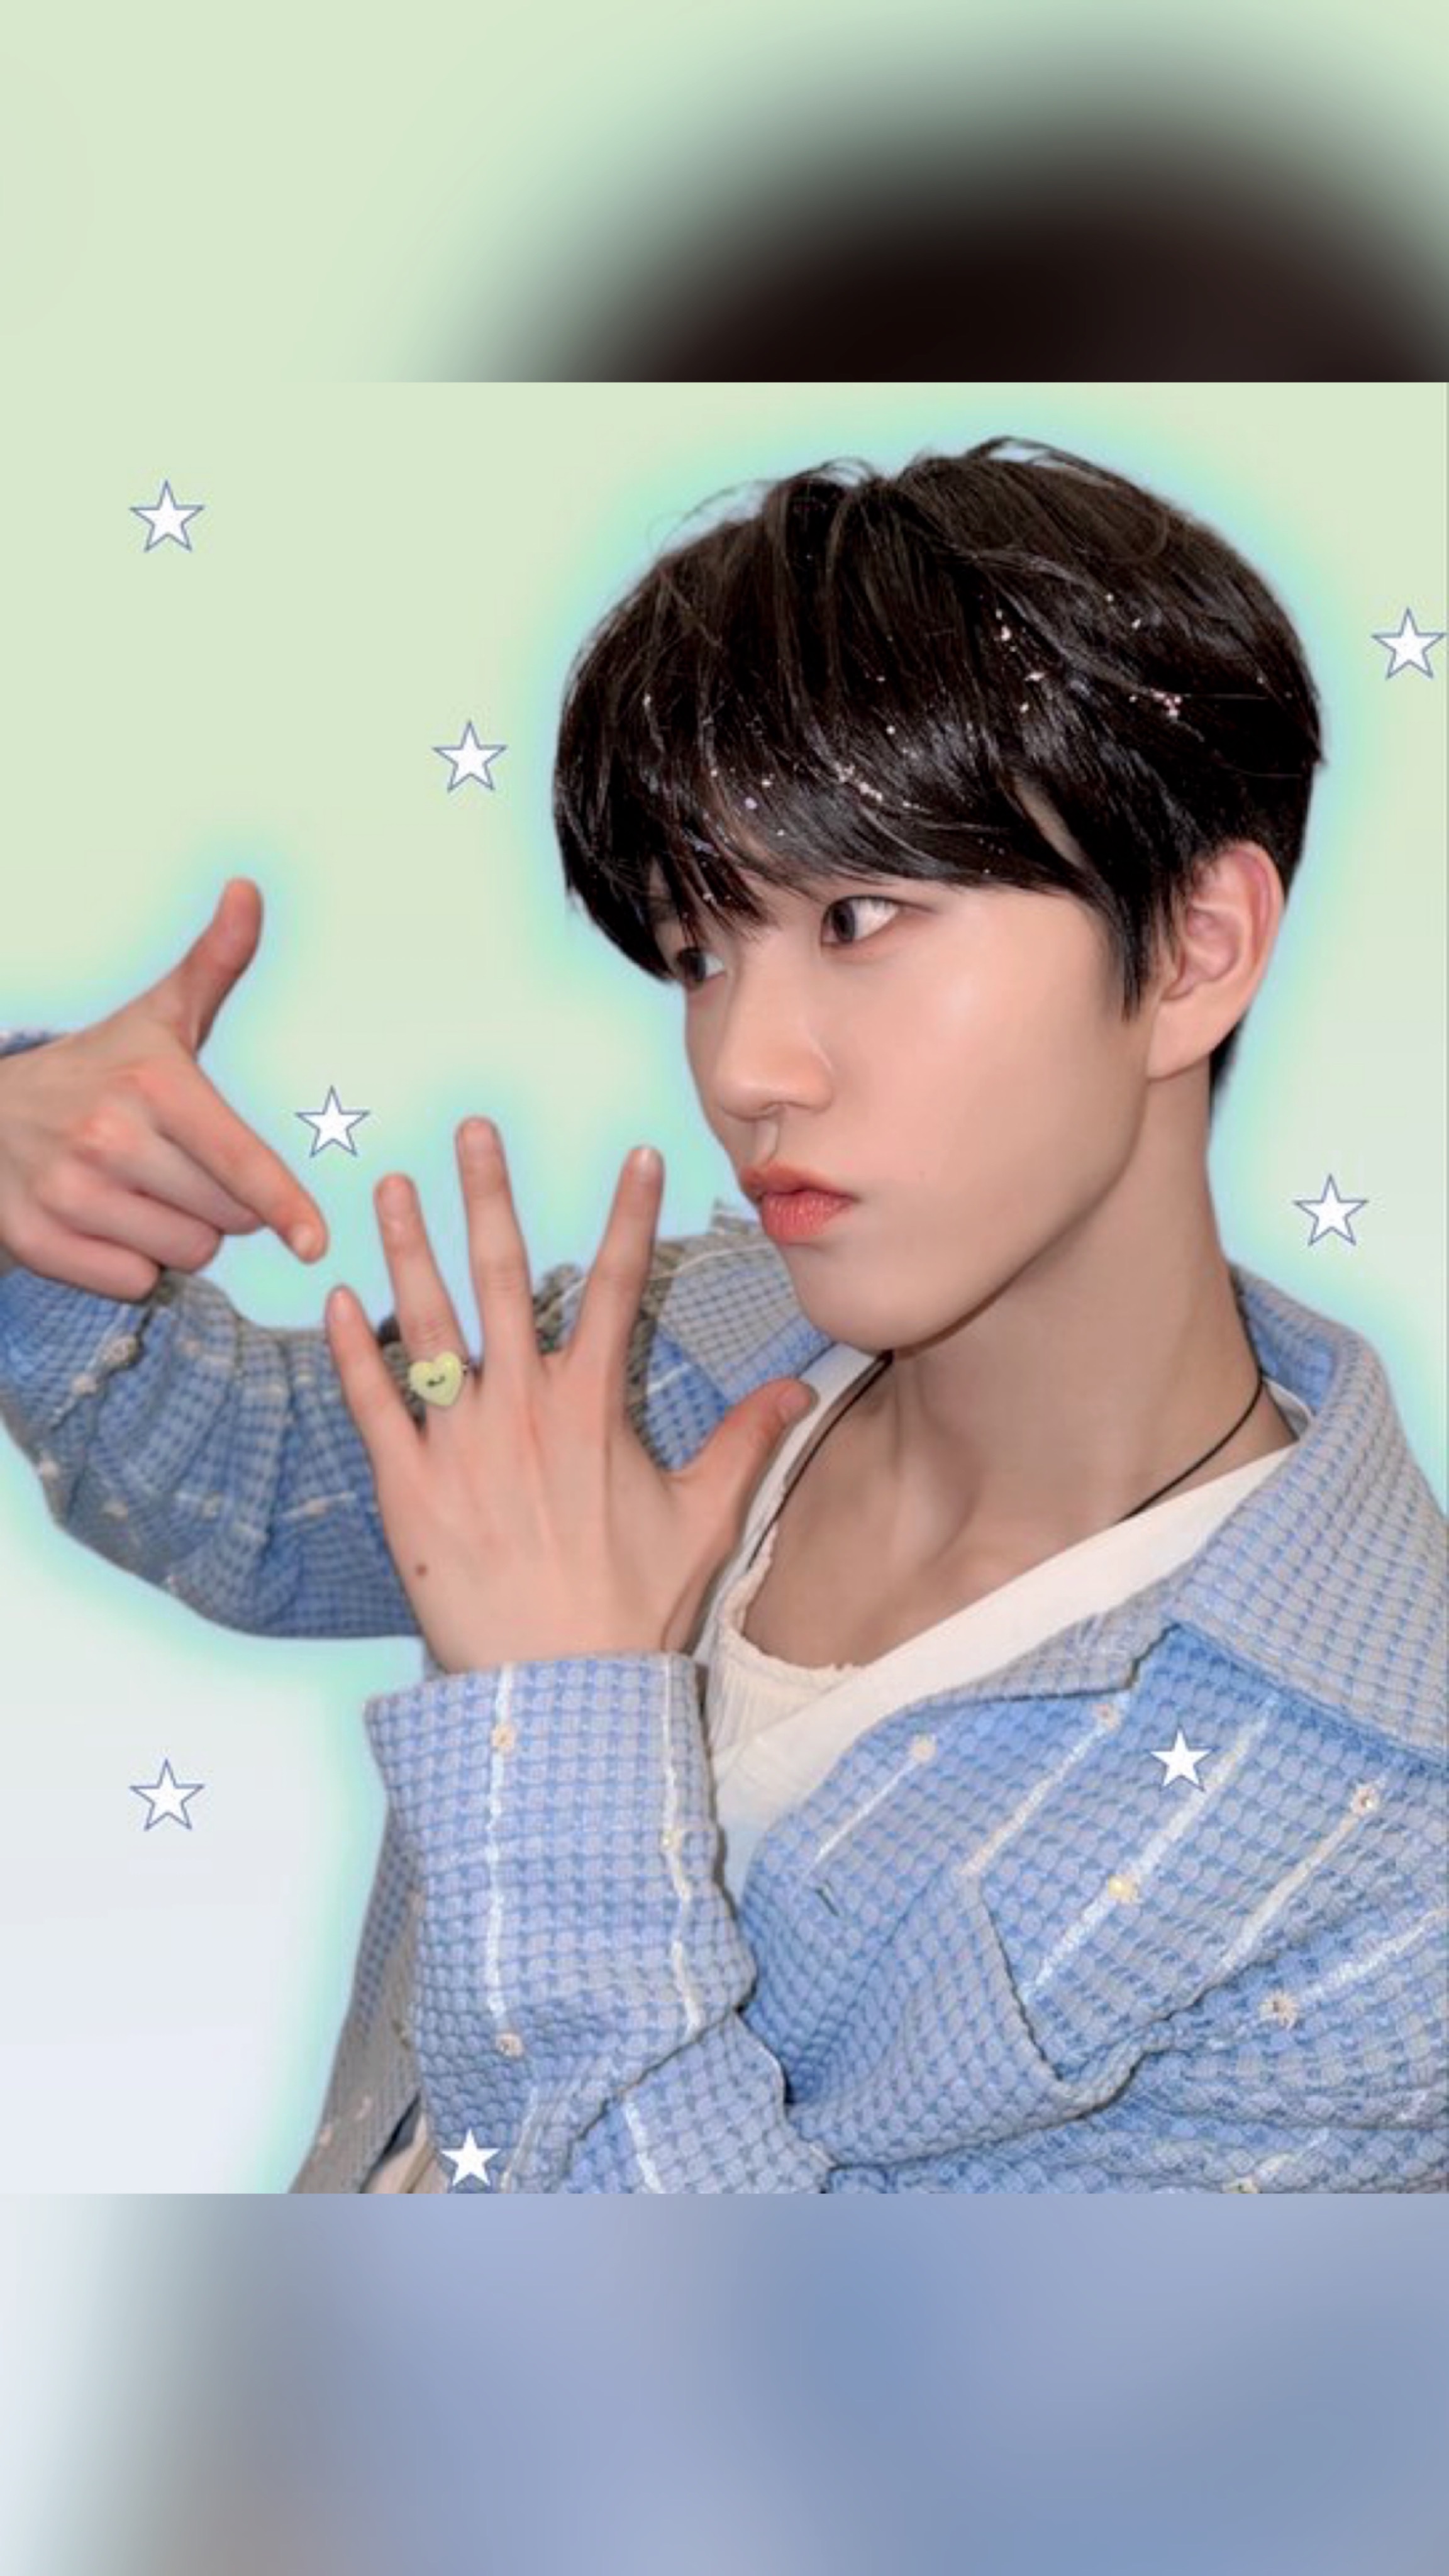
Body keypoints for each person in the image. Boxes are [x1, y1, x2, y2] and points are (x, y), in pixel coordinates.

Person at [1, 433, 1443, 2191]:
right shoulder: (693, 1344)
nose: (744, 1067)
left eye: (860, 915)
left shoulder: (1380, 1852)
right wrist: (31, 1181)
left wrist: (556, 1727)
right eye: (700, 949)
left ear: (1199, 947)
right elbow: (245, 1480)